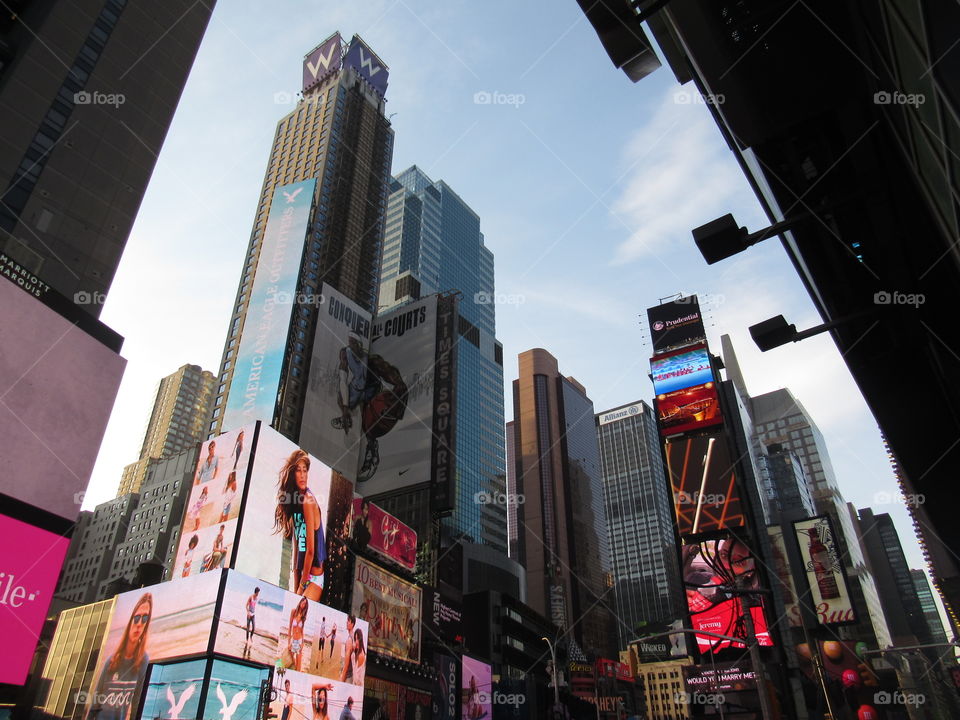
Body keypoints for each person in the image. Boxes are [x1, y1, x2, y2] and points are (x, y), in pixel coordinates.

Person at [330, 335, 407, 481]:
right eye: (350, 343)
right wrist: (345, 408)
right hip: (356, 387)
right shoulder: (345, 353)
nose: (352, 345)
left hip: (371, 390)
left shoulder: (372, 361)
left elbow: (390, 373)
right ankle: (347, 417)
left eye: (354, 343)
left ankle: (372, 452)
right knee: (342, 398)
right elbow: (342, 378)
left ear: (359, 345)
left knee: (368, 424)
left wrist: (399, 390)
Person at [87, 593, 152, 720]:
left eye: (145, 619)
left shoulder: (143, 660)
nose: (139, 623)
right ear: (130, 621)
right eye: (137, 618)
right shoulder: (111, 661)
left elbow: (137, 702)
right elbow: (95, 701)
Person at [274, 449, 326, 600]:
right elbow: (298, 545)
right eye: (298, 471)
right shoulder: (297, 502)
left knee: (296, 613)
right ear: (292, 474)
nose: (303, 475)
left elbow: (310, 550)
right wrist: (296, 582)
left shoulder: (308, 501)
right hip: (303, 575)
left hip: (314, 578)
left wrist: (302, 585)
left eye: (305, 470)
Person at [288, 597, 309, 671]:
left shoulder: (303, 617)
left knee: (298, 667)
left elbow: (302, 631)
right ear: (300, 602)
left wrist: (303, 643)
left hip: (299, 640)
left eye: (305, 603)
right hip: (293, 640)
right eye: (303, 601)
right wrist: (289, 642)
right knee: (290, 662)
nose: (303, 603)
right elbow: (290, 627)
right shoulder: (293, 611)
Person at [339, 615, 356, 682]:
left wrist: (342, 679)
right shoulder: (354, 636)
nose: (346, 622)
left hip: (348, 676)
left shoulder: (349, 640)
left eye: (348, 621)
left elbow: (346, 665)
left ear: (352, 624)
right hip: (351, 674)